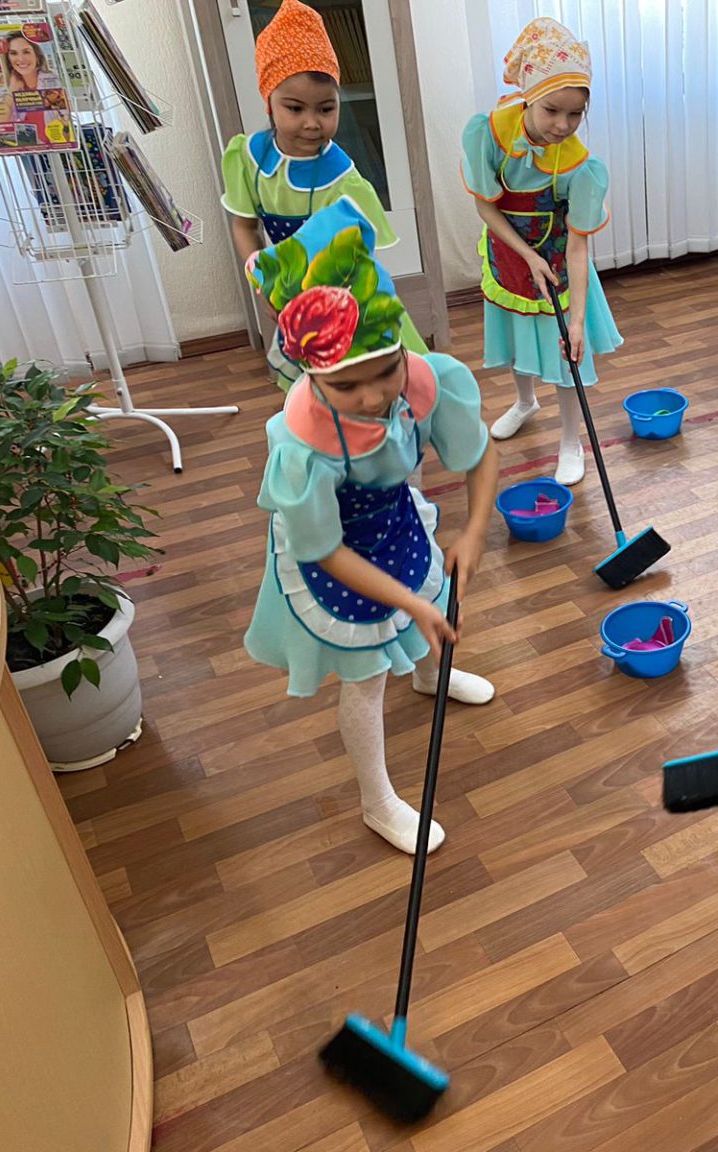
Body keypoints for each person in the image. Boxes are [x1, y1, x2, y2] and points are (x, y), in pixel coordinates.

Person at [242, 200, 500, 856]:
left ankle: (426, 675)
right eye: (346, 386)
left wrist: (473, 532)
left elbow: (479, 456)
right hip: (332, 549)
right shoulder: (303, 446)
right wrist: (411, 604)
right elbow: (324, 549)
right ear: (311, 376)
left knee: (423, 597)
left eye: (386, 371)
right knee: (365, 675)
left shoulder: (425, 381)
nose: (373, 396)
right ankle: (377, 801)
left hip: (391, 516)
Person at [220, 0, 421, 390]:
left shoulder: (343, 179)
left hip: (347, 297)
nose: (312, 123)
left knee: (372, 389)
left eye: (326, 109)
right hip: (290, 295)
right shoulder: (247, 158)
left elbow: (358, 260)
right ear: (269, 101)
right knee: (312, 394)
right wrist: (264, 283)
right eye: (295, 108)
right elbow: (243, 226)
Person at [460, 16, 622, 487]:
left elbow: (579, 245)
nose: (563, 126)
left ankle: (571, 441)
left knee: (566, 355)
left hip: (558, 263)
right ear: (529, 95)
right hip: (508, 252)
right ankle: (525, 401)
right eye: (552, 110)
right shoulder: (488, 133)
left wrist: (577, 320)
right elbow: (485, 206)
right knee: (515, 336)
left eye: (576, 114)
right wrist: (524, 256)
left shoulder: (581, 168)